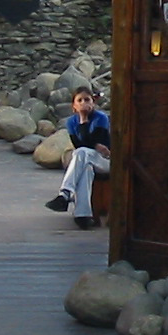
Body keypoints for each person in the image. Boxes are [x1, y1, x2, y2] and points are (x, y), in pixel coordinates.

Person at [45, 86, 111, 230]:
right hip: (86, 159)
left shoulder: (101, 118)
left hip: (105, 160)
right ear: (73, 106)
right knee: (86, 168)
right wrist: (82, 120)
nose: (83, 103)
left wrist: (84, 119)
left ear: (93, 102)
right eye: (79, 100)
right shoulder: (71, 122)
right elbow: (81, 144)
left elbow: (91, 143)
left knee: (81, 153)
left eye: (87, 100)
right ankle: (83, 216)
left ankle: (65, 193)